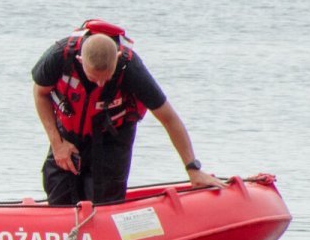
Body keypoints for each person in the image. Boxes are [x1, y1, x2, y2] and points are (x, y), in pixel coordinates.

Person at [32, 20, 224, 205]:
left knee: (102, 199)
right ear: (80, 61)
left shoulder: (131, 68)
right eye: (93, 78)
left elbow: (169, 119)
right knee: (58, 192)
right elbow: (40, 94)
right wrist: (57, 144)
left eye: (106, 78)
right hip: (68, 135)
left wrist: (193, 169)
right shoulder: (59, 55)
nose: (100, 84)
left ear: (116, 59)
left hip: (111, 139)